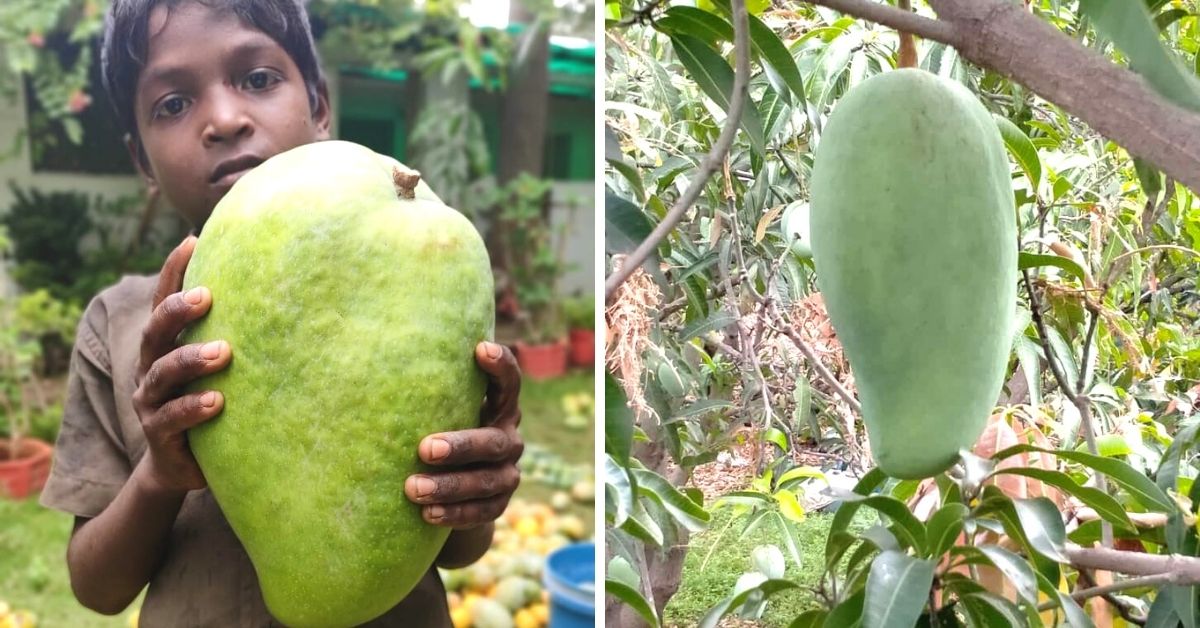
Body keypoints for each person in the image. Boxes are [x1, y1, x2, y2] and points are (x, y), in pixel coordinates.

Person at [38, 1, 524, 626]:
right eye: (173, 104)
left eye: (259, 79)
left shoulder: (415, 277)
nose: (223, 119)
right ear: (141, 160)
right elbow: (96, 588)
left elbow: (459, 548)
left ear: (320, 108)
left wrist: (476, 484)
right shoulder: (118, 323)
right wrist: (159, 473)